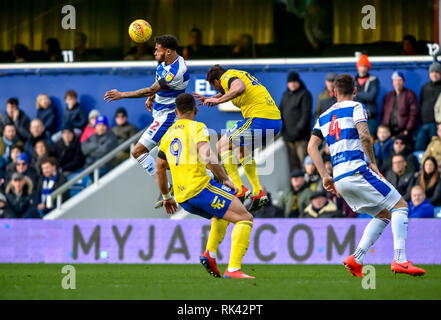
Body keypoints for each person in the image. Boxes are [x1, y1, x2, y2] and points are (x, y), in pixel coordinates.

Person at [307, 73, 425, 277]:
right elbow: (363, 134)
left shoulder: (323, 116)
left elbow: (311, 147)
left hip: (340, 179)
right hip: (357, 170)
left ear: (334, 93)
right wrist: (372, 163)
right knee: (400, 206)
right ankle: (400, 260)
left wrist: (325, 175)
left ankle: (356, 258)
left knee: (384, 214)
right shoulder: (356, 107)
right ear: (355, 90)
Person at [155, 93, 255, 279]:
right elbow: (206, 155)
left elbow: (159, 169)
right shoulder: (198, 127)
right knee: (245, 217)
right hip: (200, 188)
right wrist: (225, 178)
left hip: (183, 199)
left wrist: (167, 197)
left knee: (225, 214)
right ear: (196, 110)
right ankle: (233, 269)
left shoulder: (167, 135)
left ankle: (210, 254)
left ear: (176, 112)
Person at [104, 35, 189, 206]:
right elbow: (157, 84)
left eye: (157, 49)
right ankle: (195, 179)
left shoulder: (177, 71)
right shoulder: (165, 60)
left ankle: (168, 187)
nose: (154, 52)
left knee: (137, 151)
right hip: (160, 113)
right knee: (168, 160)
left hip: (168, 116)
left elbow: (151, 88)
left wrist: (122, 94)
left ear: (168, 51)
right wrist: (153, 96)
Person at [195, 65, 282, 212]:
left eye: (215, 88)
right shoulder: (238, 74)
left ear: (217, 81)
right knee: (241, 150)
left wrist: (218, 100)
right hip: (275, 121)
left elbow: (239, 87)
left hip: (259, 119)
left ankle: (238, 188)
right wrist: (212, 98)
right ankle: (257, 191)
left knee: (221, 145)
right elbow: (234, 89)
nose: (217, 91)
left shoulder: (227, 77)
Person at [278, 71, 313, 172]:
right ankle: (296, 186)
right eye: (290, 82)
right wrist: (282, 130)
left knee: (305, 163)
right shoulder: (285, 95)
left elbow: (306, 114)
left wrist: (298, 129)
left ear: (299, 82)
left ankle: (307, 183)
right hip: (288, 138)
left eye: (294, 81)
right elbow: (280, 112)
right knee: (293, 165)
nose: (292, 84)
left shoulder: (305, 94)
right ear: (287, 84)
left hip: (301, 138)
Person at [380, 71, 419, 138]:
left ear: (404, 82)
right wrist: (385, 129)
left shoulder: (410, 95)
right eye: (395, 80)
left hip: (403, 131)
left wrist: (407, 129)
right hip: (389, 131)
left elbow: (413, 114)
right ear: (393, 82)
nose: (397, 82)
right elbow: (383, 113)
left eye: (400, 80)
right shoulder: (387, 96)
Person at [415, 62, 441, 150]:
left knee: (434, 147)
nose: (434, 74)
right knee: (419, 146)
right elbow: (421, 102)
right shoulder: (424, 87)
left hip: (436, 124)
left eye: (437, 72)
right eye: (432, 72)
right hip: (424, 123)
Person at [353, 54, 380, 137]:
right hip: (356, 118)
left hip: (370, 118)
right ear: (358, 67)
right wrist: (365, 96)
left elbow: (371, 97)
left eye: (365, 66)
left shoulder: (374, 80)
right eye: (361, 66)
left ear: (368, 68)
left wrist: (356, 94)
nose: (363, 68)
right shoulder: (352, 81)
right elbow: (351, 98)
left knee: (370, 143)